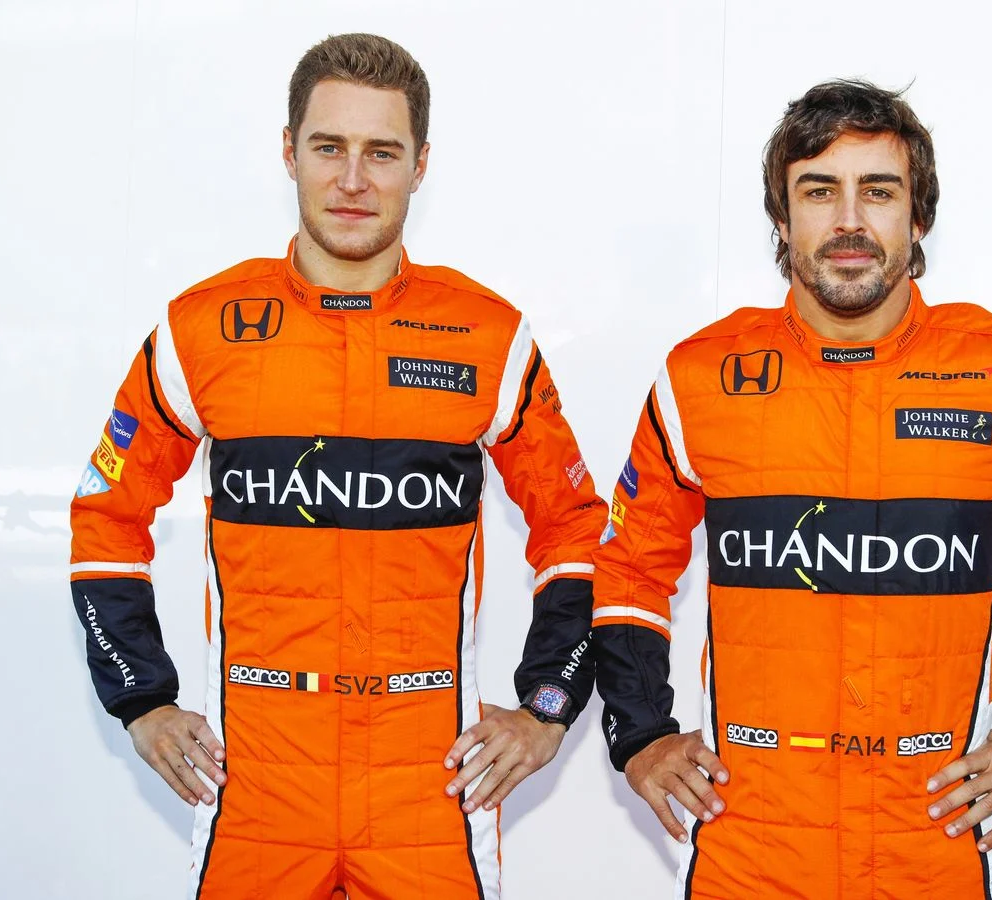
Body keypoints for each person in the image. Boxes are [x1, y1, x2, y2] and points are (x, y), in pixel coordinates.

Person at [590, 80, 992, 899]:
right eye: (819, 192)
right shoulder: (700, 378)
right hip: (747, 847)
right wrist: (641, 734)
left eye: (880, 191)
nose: (850, 221)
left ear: (918, 218)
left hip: (936, 846)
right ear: (783, 221)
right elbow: (628, 572)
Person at [70, 33, 605, 900]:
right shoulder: (202, 329)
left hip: (428, 779)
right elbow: (104, 515)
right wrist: (141, 697)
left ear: (420, 165)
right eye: (329, 147)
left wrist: (547, 707)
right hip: (258, 777)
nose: (353, 179)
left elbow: (578, 527)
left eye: (381, 152)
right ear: (289, 151)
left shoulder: (488, 336)